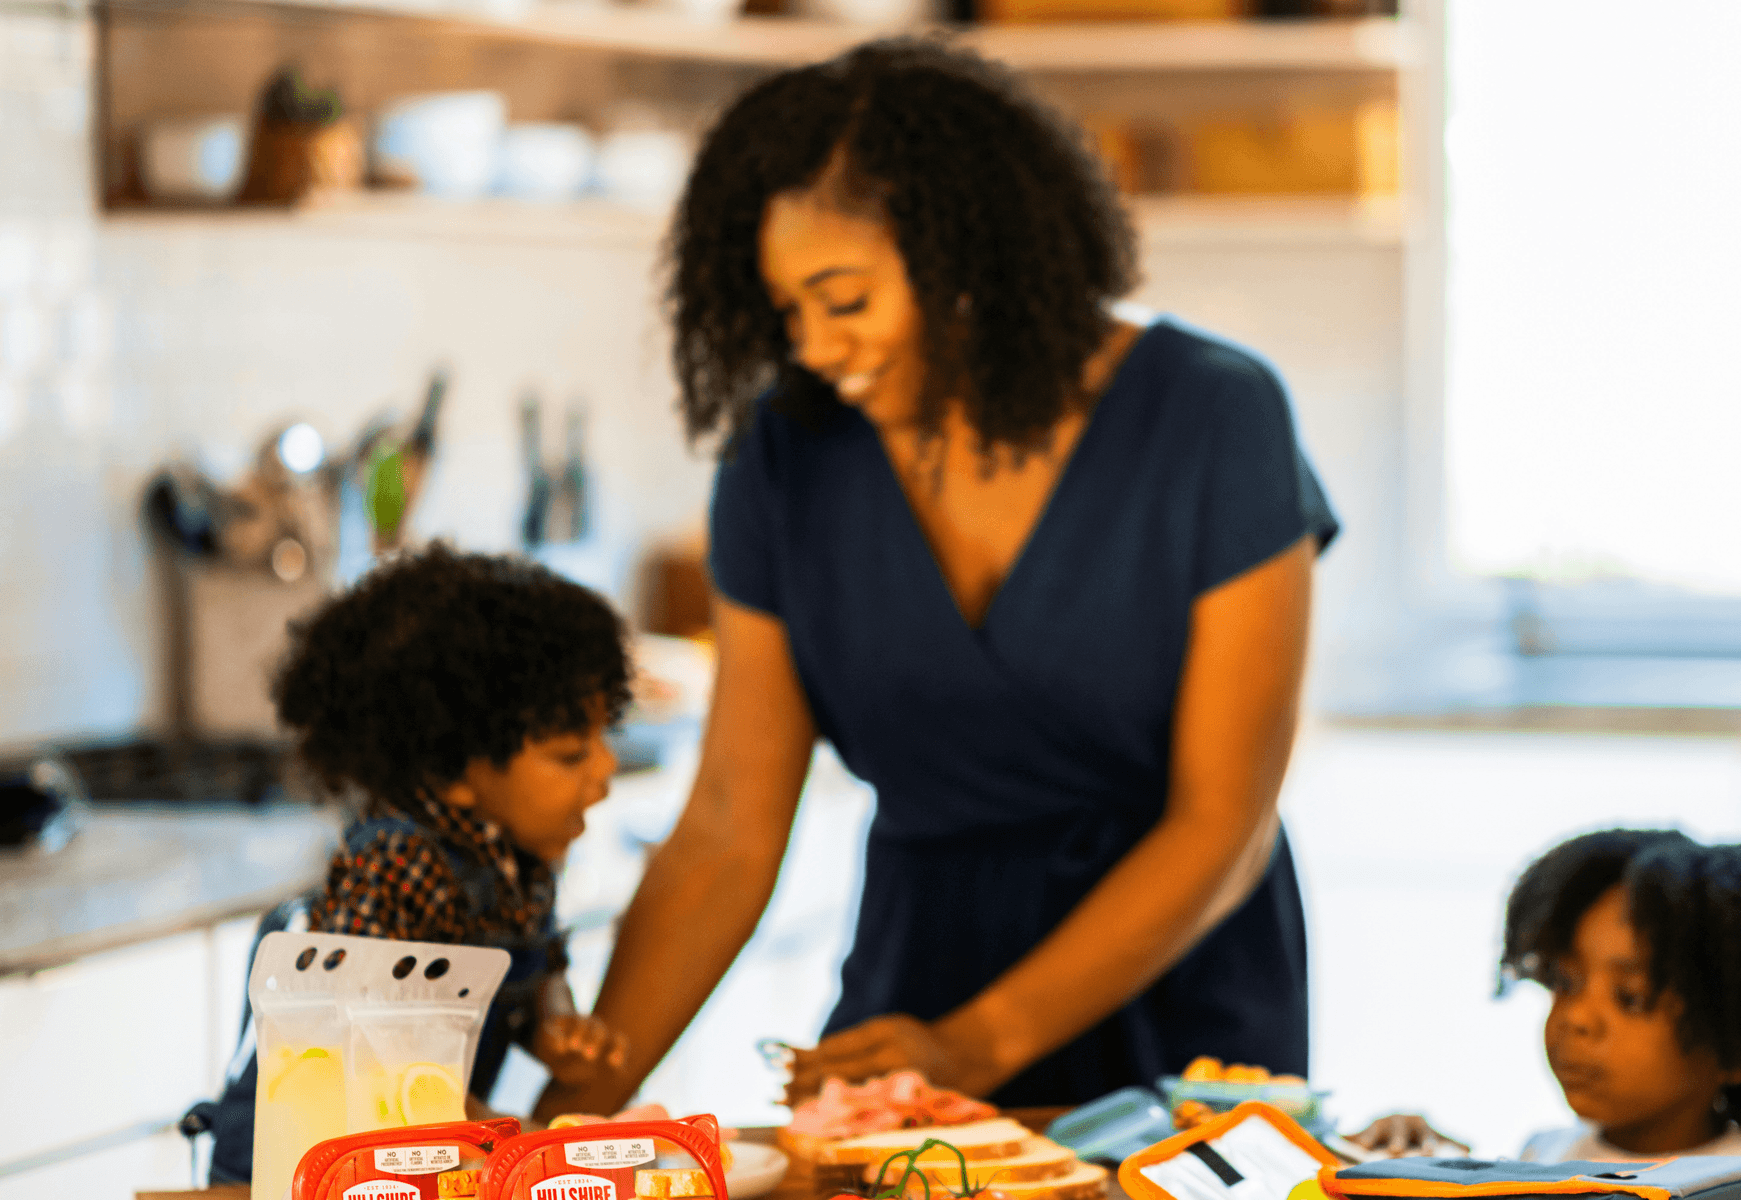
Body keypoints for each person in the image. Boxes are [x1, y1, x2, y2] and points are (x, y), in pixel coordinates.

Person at [538, 37, 1337, 1119]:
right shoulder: (785, 456)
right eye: (787, 311)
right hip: (913, 992)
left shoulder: (1212, 413)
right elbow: (728, 824)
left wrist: (977, 1043)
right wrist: (561, 1129)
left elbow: (1223, 820)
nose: (814, 346)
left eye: (845, 298)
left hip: (1181, 1005)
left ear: (968, 254)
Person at [204, 546, 633, 1182]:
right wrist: (501, 1137)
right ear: (454, 771)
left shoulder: (522, 857)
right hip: (293, 1172)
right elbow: (372, 1053)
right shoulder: (397, 865)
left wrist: (555, 1027)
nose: (606, 770)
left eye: (604, 739)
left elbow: (535, 967)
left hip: (406, 1162)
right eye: (571, 755)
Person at [1351, 829, 1741, 1189]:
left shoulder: (1738, 1187)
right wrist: (1427, 1166)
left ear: (1739, 1045)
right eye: (1566, 982)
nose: (1577, 1018)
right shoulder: (1546, 1150)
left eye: (1632, 999)